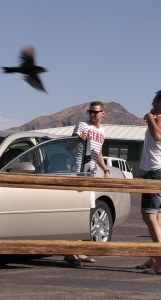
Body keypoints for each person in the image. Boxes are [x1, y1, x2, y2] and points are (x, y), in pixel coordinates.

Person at [64, 101, 110, 267]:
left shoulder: (102, 131)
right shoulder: (83, 125)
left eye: (96, 112)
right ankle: (71, 252)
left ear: (102, 114)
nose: (92, 115)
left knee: (87, 211)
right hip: (78, 171)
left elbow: (98, 153)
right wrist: (78, 139)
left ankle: (80, 251)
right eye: (90, 112)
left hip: (91, 173)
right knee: (77, 210)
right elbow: (70, 145)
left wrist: (105, 169)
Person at [136, 90, 161, 275]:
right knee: (158, 217)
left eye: (153, 100)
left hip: (156, 173)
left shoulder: (160, 119)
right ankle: (155, 257)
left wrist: (149, 118)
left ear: (160, 101)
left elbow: (158, 134)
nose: (151, 103)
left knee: (149, 216)